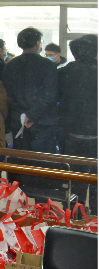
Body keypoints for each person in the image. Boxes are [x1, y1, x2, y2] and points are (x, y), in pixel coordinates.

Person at [2, 27, 60, 153]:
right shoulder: (48, 65)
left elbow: (7, 95)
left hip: (18, 122)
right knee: (42, 162)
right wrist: (32, 115)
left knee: (21, 160)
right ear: (37, 43)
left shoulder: (10, 66)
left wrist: (22, 116)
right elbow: (49, 95)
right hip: (43, 122)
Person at [58, 35, 97, 209]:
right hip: (96, 132)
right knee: (96, 176)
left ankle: (75, 210)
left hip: (72, 131)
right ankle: (95, 211)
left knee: (74, 175)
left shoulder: (65, 71)